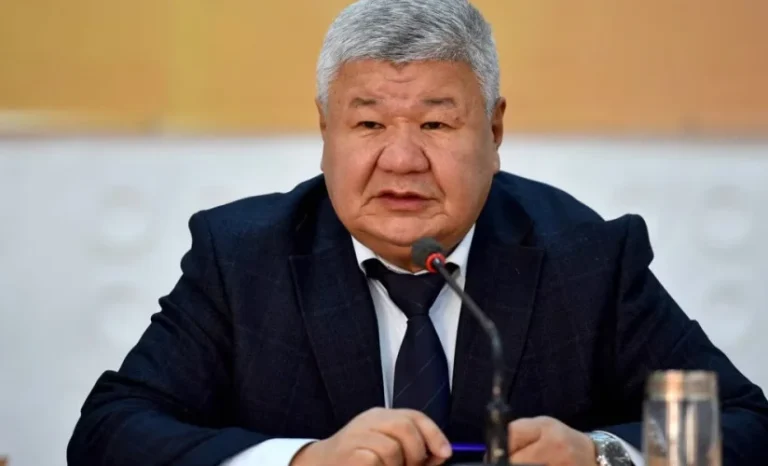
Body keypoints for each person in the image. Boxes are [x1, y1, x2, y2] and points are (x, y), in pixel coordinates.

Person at [67, 0, 768, 465]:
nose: (401, 160)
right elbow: (108, 432)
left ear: (494, 130)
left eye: (435, 123)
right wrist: (300, 461)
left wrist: (603, 457)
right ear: (325, 131)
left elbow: (745, 427)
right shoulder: (243, 258)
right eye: (369, 123)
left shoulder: (585, 259)